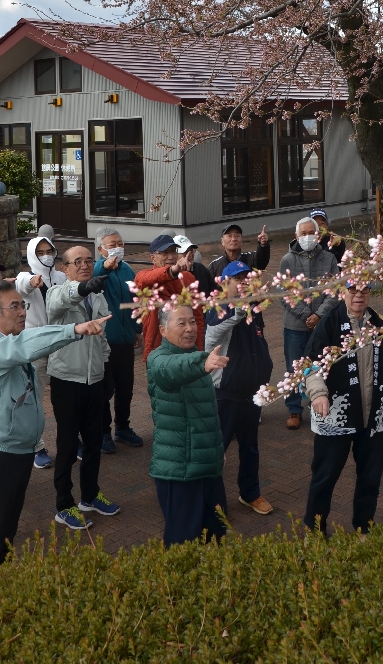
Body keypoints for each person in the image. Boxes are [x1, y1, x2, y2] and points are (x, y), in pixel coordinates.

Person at [0, 279, 110, 566]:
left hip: (18, 452)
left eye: (23, 305)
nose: (22, 312)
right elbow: (26, 346)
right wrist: (75, 329)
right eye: (13, 307)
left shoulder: (10, 343)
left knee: (6, 532)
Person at [303, 283, 383, 534]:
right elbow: (311, 364)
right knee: (325, 476)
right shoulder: (329, 323)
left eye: (365, 290)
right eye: (353, 289)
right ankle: (314, 530)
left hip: (372, 416)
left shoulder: (379, 324)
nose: (359, 295)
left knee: (371, 476)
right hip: (336, 415)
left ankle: (363, 527)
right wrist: (319, 393)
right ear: (342, 292)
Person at [45, 244, 120, 530]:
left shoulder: (97, 295)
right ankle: (64, 505)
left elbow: (101, 339)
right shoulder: (56, 292)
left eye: (89, 260)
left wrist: (106, 372)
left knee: (94, 442)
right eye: (77, 261)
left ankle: (90, 495)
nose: (85, 265)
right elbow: (62, 299)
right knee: (66, 444)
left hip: (94, 380)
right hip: (67, 379)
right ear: (64, 268)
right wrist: (84, 288)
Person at [147, 304, 229, 545]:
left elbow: (206, 413)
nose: (190, 328)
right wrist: (202, 363)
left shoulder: (199, 357)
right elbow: (170, 371)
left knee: (216, 536)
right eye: (181, 323)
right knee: (183, 545)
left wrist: (217, 449)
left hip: (207, 466)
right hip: (179, 470)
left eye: (192, 322)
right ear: (163, 329)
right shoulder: (158, 359)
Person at [204, 261, 274, 516]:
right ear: (224, 283)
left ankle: (251, 493)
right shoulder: (219, 310)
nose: (244, 282)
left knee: (250, 447)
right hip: (225, 394)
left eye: (247, 278)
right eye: (238, 279)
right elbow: (213, 335)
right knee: (216, 450)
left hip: (251, 394)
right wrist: (242, 307)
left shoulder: (252, 311)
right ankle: (212, 502)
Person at [279, 217, 339, 430]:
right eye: (302, 233)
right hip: (295, 325)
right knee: (294, 367)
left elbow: (335, 290)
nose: (307, 237)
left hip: (322, 325)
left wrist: (319, 315)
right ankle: (294, 410)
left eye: (310, 233)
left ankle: (322, 404)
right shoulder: (287, 260)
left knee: (323, 365)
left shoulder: (329, 258)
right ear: (296, 236)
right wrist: (307, 315)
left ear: (318, 234)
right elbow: (285, 293)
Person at [14, 233, 67, 469]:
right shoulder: (25, 277)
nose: (46, 256)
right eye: (40, 252)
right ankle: (36, 446)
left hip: (63, 345)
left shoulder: (61, 277)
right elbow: (22, 285)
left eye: (49, 251)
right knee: (34, 398)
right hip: (37, 347)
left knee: (66, 398)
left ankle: (70, 441)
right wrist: (34, 281)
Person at [93, 226, 143, 453]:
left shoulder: (127, 271)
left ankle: (123, 427)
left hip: (125, 339)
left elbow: (135, 302)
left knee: (126, 387)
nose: (118, 248)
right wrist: (105, 266)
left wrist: (137, 329)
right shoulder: (98, 270)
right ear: (101, 250)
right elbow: (95, 274)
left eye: (120, 244)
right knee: (105, 388)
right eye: (112, 245)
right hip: (105, 340)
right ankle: (103, 432)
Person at [134, 234, 203, 360]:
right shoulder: (145, 278)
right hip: (158, 348)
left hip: (187, 346)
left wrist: (199, 349)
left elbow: (197, 316)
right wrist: (173, 271)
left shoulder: (188, 278)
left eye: (173, 252)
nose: (170, 257)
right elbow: (144, 280)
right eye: (164, 253)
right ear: (152, 258)